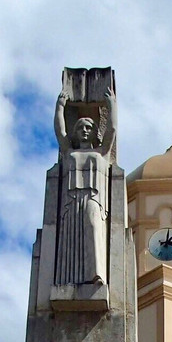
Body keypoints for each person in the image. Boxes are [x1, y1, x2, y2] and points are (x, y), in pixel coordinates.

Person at [53, 86, 116, 286]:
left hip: (92, 200)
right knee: (71, 238)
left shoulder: (101, 153)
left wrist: (111, 105)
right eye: (80, 128)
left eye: (89, 128)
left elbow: (112, 130)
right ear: (76, 132)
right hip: (70, 203)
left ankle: (96, 275)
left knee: (93, 227)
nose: (85, 131)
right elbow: (59, 131)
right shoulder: (69, 152)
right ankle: (68, 279)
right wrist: (60, 107)